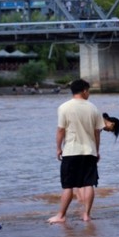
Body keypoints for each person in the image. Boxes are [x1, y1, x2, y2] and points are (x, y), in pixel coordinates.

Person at [48, 79, 105, 224]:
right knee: (88, 184)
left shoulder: (64, 107)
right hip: (89, 150)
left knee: (68, 185)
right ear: (84, 90)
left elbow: (61, 129)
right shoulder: (93, 108)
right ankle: (86, 214)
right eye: (89, 91)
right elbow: (97, 132)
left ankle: (61, 215)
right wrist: (97, 151)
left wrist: (58, 148)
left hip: (71, 150)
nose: (89, 93)